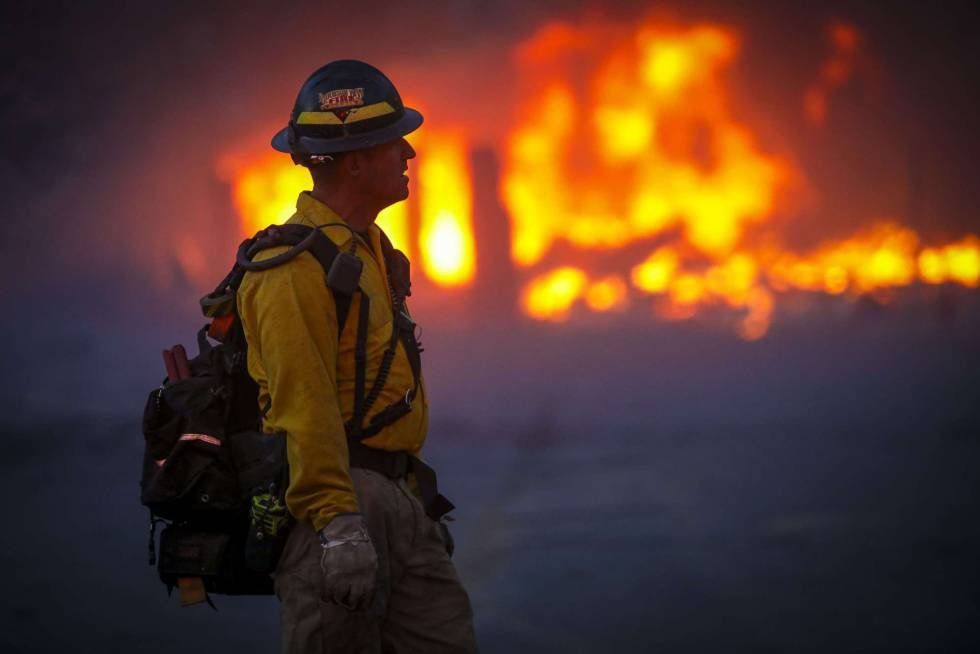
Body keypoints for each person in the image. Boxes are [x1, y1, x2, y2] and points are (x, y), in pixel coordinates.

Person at [236, 60, 478, 653]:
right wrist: (339, 525)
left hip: (395, 497)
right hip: (340, 503)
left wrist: (406, 512)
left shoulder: (367, 250)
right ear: (355, 161)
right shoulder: (292, 269)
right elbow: (303, 405)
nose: (410, 156)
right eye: (397, 143)